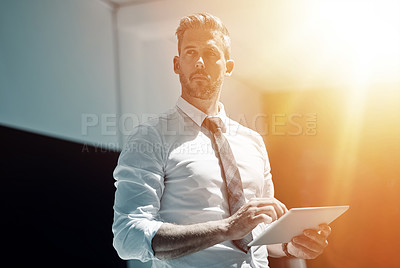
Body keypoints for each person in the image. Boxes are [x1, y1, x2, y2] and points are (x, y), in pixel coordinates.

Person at [112, 13, 331, 267]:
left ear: (228, 67)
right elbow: (128, 238)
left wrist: (290, 245)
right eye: (190, 53)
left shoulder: (253, 142)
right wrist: (227, 228)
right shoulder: (150, 138)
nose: (200, 62)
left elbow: (259, 234)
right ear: (176, 64)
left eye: (211, 53)